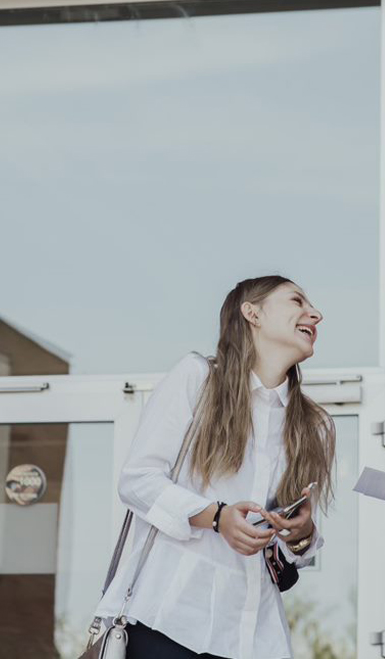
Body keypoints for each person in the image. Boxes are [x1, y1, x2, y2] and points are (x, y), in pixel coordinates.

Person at [94, 275, 336, 659]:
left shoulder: (314, 426)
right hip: (168, 619)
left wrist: (300, 534)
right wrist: (216, 516)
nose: (315, 314)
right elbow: (137, 480)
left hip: (255, 636)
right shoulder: (198, 379)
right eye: (296, 301)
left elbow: (288, 559)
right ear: (252, 313)